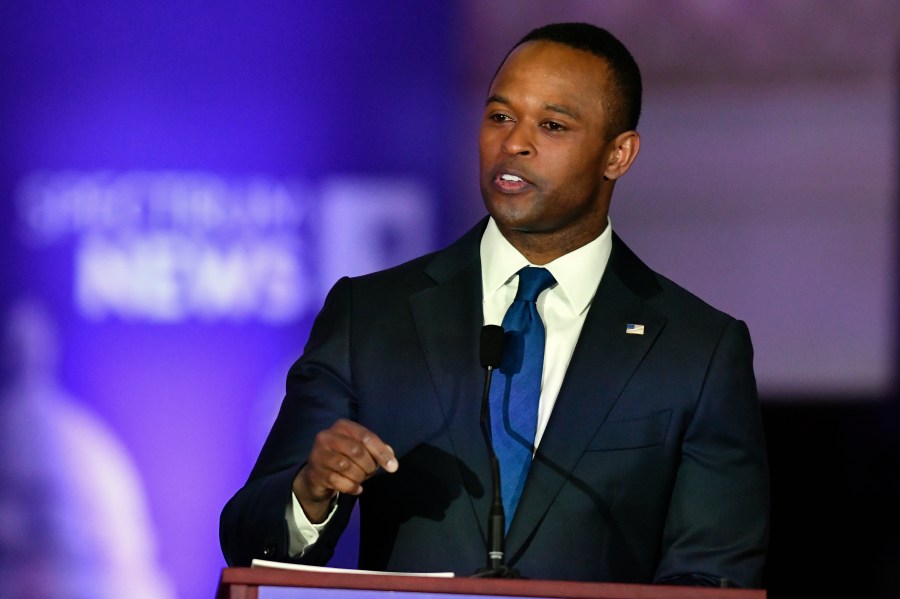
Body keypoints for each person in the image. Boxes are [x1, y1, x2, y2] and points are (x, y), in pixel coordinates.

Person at [220, 22, 769, 588]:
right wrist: (309, 495)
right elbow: (248, 542)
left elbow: (714, 575)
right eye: (500, 117)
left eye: (552, 125)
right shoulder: (372, 315)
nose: (514, 143)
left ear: (618, 155)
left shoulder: (696, 350)